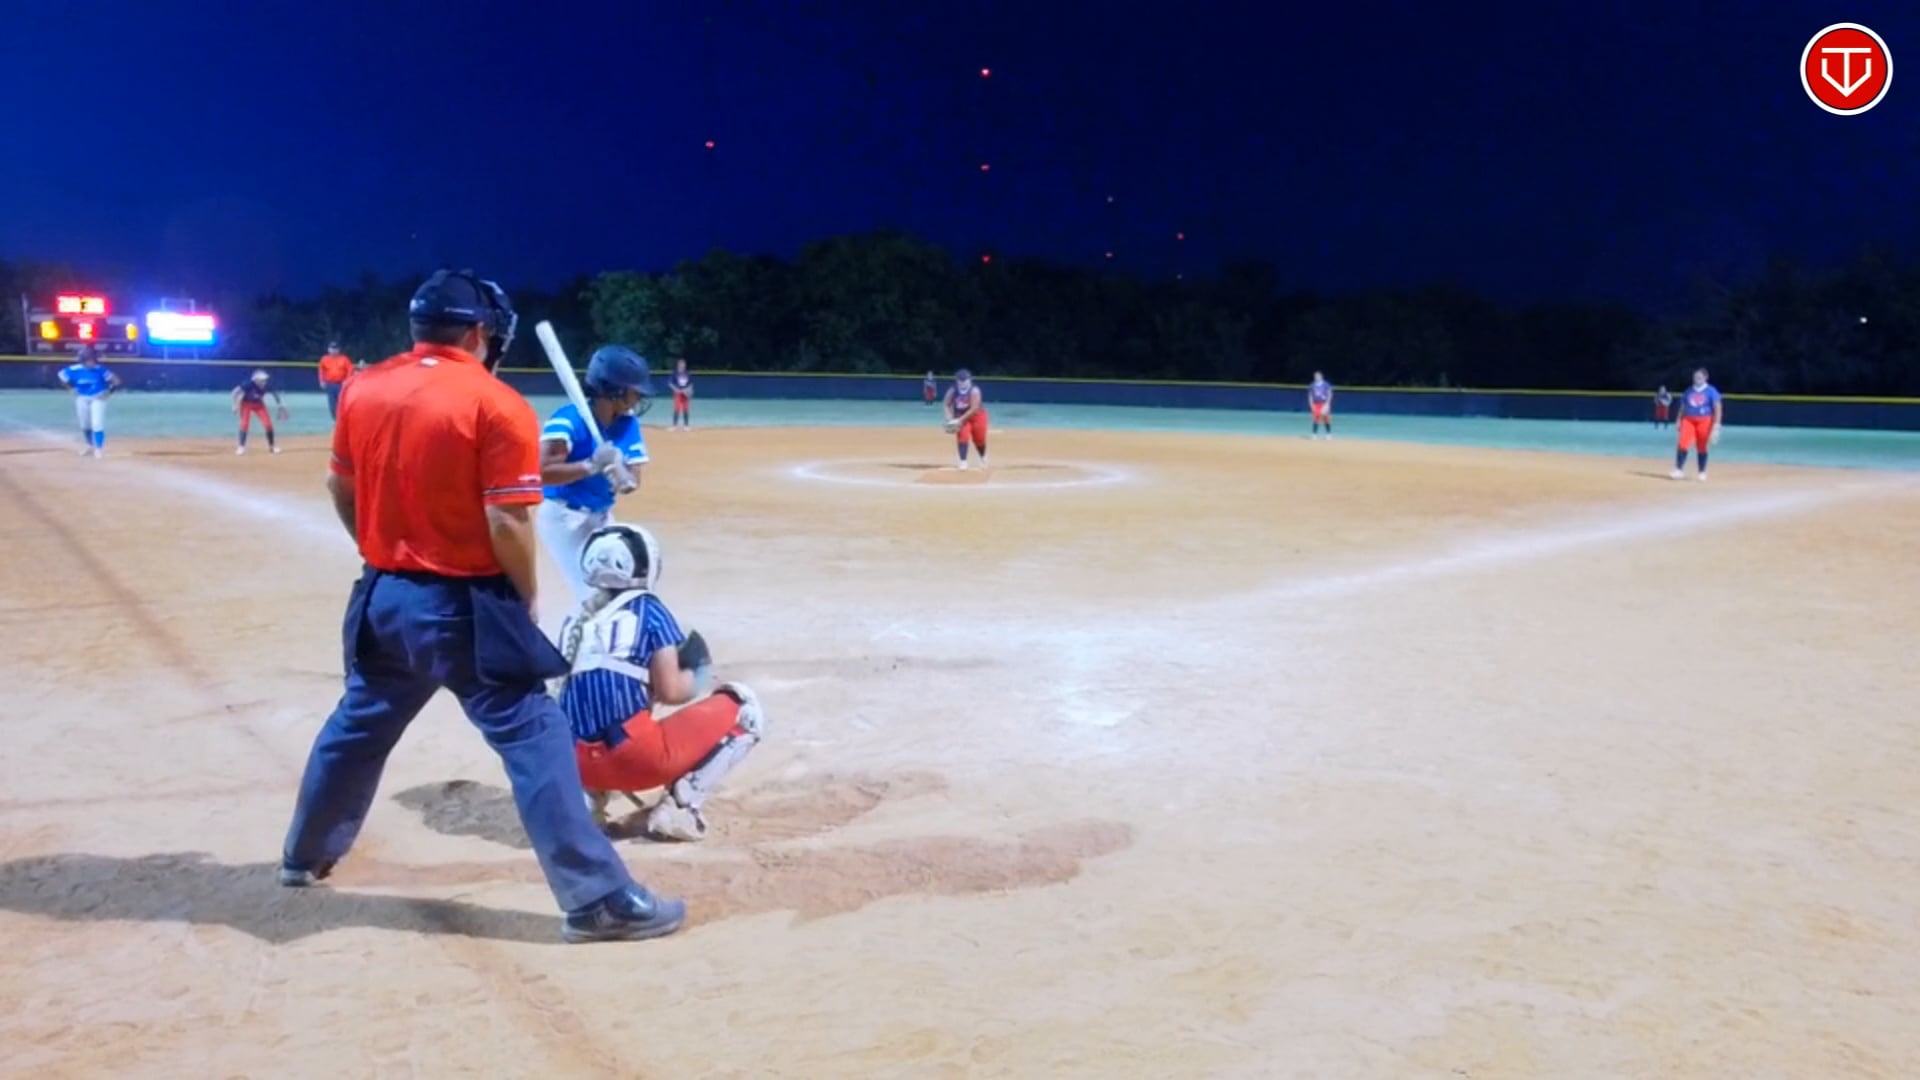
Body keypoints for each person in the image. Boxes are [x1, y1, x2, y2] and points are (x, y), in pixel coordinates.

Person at [279, 268, 684, 944]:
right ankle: (597, 901)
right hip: (462, 603)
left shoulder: (362, 387)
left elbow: (338, 487)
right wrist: (525, 594)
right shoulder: (496, 403)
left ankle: (303, 854)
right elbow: (508, 520)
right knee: (535, 734)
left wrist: (379, 554)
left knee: (359, 725)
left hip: (382, 597)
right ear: (479, 334)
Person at [555, 524, 766, 841]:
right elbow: (672, 691)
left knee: (593, 717)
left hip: (572, 762)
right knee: (744, 707)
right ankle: (680, 808)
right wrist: (698, 671)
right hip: (633, 760)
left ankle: (586, 809)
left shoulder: (576, 619)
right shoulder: (648, 610)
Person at [537, 346, 650, 612]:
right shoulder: (569, 420)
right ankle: (578, 635)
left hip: (601, 516)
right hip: (565, 518)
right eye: (634, 391)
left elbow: (633, 481)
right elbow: (541, 472)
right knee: (593, 592)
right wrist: (590, 466)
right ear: (614, 390)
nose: (639, 397)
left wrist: (621, 474)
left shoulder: (627, 424)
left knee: (620, 582)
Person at [58, 345, 120, 457]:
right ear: (83, 361)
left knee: (97, 423)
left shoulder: (100, 370)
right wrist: (70, 389)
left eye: (93, 360)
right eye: (88, 360)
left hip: (98, 398)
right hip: (82, 398)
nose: (91, 363)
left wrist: (109, 392)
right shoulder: (74, 370)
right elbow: (62, 377)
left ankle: (99, 449)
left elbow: (116, 381)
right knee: (85, 424)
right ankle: (89, 445)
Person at [1671, 368, 1723, 481]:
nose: (1697, 379)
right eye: (1695, 377)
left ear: (1705, 378)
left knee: (1702, 445)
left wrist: (1717, 425)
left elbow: (1717, 407)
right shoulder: (1689, 391)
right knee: (1683, 443)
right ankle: (1679, 470)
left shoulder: (1711, 390)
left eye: (1699, 377)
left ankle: (1702, 472)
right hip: (1688, 420)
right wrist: (1678, 420)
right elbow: (1683, 407)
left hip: (1705, 420)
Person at [943, 368, 989, 470]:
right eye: (961, 380)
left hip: (977, 416)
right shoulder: (953, 390)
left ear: (970, 380)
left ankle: (983, 456)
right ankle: (963, 461)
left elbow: (974, 409)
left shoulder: (974, 391)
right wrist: (949, 418)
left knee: (979, 439)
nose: (963, 382)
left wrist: (959, 420)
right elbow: (946, 404)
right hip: (960, 415)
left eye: (965, 380)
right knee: (962, 436)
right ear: (957, 380)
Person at [232, 369, 288, 454]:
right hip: (246, 404)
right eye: (262, 380)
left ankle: (272, 447)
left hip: (259, 405)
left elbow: (275, 394)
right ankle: (241, 447)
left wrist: (280, 404)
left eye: (265, 379)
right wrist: (234, 405)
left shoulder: (266, 385)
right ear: (256, 380)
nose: (264, 381)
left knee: (268, 424)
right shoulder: (248, 384)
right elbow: (235, 392)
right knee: (244, 424)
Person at [319, 342, 354, 421]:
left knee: (342, 402)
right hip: (330, 384)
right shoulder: (324, 359)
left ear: (339, 350)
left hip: (341, 384)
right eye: (332, 348)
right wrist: (322, 381)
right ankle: (336, 420)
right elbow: (321, 370)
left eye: (335, 349)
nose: (334, 350)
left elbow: (350, 370)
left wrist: (347, 380)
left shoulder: (344, 359)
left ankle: (344, 418)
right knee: (332, 404)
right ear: (329, 349)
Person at [668, 359, 694, 431]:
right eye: (681, 364)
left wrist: (688, 391)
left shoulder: (687, 373)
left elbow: (691, 384)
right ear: (678, 365)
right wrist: (676, 389)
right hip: (677, 393)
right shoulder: (674, 373)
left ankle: (686, 426)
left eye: (683, 364)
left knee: (685, 409)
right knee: (677, 408)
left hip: (685, 393)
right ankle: (674, 426)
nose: (682, 365)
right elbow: (670, 383)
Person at [1308, 371, 1335, 439]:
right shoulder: (1312, 385)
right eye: (1315, 376)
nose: (1317, 377)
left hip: (1324, 403)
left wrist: (1327, 404)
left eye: (1318, 376)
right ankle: (1314, 434)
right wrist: (1311, 405)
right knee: (1316, 418)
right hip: (1316, 404)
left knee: (1326, 419)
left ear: (1321, 377)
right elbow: (1310, 396)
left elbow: (1330, 394)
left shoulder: (1326, 384)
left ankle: (1328, 434)